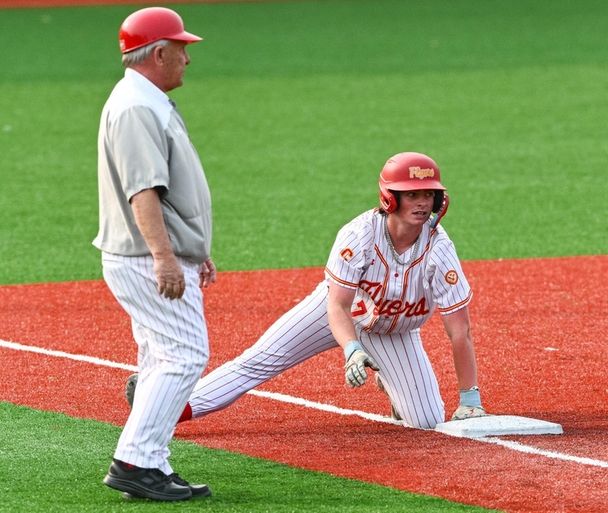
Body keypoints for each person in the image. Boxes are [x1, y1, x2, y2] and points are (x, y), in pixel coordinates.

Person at [127, 151, 486, 429]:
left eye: (428, 194)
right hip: (332, 313)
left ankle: (392, 382)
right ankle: (162, 405)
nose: (422, 203)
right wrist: (352, 350)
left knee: (426, 422)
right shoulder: (358, 236)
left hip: (394, 333)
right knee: (260, 360)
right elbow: (338, 307)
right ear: (390, 198)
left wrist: (470, 398)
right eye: (411, 195)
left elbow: (460, 330)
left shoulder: (439, 249)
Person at [93, 6, 216, 501]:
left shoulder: (145, 100)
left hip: (150, 254)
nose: (188, 58)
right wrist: (166, 257)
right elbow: (143, 192)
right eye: (182, 49)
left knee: (160, 354)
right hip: (145, 259)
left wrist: (193, 248)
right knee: (185, 354)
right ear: (159, 52)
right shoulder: (136, 107)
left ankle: (151, 461)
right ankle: (135, 461)